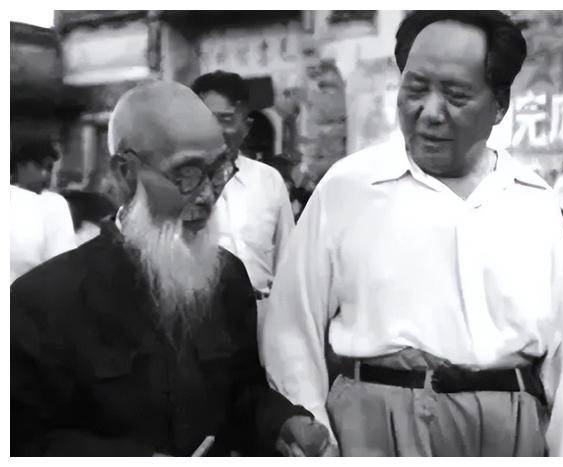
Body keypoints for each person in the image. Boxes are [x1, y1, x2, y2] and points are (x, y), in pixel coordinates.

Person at [261, 11, 563, 457]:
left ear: (499, 106)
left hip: (506, 433)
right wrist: (313, 428)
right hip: (372, 430)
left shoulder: (533, 202)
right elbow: (291, 328)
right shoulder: (348, 188)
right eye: (415, 89)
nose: (429, 113)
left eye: (456, 96)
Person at [11, 81, 332, 457]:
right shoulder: (44, 303)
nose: (209, 194)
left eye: (219, 170)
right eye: (187, 174)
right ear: (126, 172)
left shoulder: (227, 277)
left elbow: (241, 395)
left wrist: (281, 424)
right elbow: (29, 443)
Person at [191, 71, 295, 333]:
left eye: (225, 119)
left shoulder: (268, 181)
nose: (214, 129)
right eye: (204, 119)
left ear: (246, 126)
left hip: (264, 321)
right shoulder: (181, 183)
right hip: (203, 322)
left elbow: (288, 260)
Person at [10, 141, 77, 282]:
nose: (47, 176)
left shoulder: (53, 203)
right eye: (44, 167)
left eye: (52, 171)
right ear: (22, 165)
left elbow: (61, 267)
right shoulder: (53, 204)